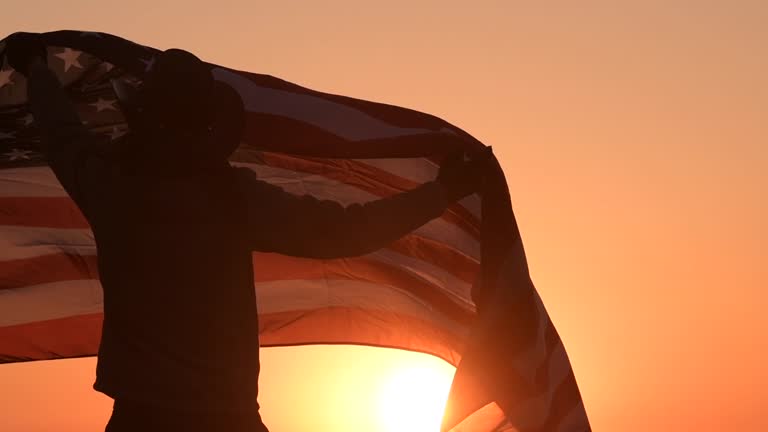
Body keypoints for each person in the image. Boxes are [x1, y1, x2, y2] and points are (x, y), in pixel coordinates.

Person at [5, 33, 491, 432]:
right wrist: (441, 191)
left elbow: (60, 130)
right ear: (206, 127)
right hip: (227, 417)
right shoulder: (233, 199)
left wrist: (39, 71)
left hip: (140, 416)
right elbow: (348, 231)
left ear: (141, 118)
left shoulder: (110, 187)